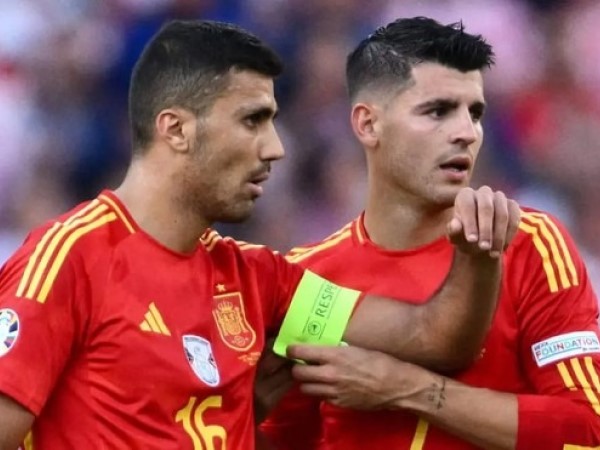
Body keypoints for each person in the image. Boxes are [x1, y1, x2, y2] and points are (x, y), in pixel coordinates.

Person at [0, 19, 519, 450]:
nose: (275, 148)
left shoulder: (257, 279)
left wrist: (480, 251)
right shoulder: (69, 258)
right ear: (176, 129)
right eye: (253, 120)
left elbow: (432, 337)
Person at [259, 17, 600, 450]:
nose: (466, 133)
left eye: (475, 113)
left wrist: (406, 388)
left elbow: (587, 431)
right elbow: (284, 440)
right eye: (438, 111)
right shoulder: (306, 278)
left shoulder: (527, 242)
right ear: (368, 124)